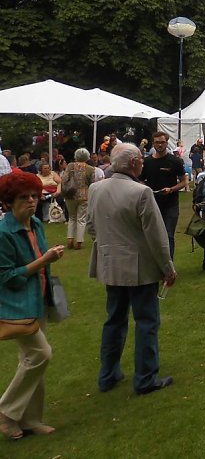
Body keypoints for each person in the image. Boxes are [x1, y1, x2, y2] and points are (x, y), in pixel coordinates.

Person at [87, 143, 177, 395]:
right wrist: (168, 268)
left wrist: (107, 245)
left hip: (110, 264)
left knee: (114, 320)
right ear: (136, 162)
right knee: (146, 321)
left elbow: (91, 225)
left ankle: (108, 374)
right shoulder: (141, 192)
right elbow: (157, 237)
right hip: (139, 267)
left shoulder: (96, 189)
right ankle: (146, 377)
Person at [0, 170, 65, 440]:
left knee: (31, 360)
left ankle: (30, 420)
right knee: (40, 355)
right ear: (8, 202)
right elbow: (7, 277)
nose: (31, 201)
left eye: (34, 196)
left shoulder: (36, 224)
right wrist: (44, 261)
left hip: (40, 299)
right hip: (15, 306)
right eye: (23, 197)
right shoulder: (4, 233)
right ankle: (5, 413)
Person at [140, 131, 188, 260]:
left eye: (162, 142)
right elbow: (140, 180)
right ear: (153, 143)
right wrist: (146, 189)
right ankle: (155, 265)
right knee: (152, 236)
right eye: (157, 142)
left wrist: (171, 189)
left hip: (170, 204)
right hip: (152, 204)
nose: (160, 145)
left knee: (168, 235)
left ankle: (169, 267)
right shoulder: (147, 162)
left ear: (167, 143)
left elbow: (184, 181)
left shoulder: (175, 161)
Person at [61, 148, 95, 250]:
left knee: (72, 217)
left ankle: (70, 239)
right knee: (81, 219)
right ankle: (79, 241)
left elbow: (64, 180)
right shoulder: (90, 169)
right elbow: (92, 183)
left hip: (70, 195)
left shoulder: (70, 166)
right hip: (84, 196)